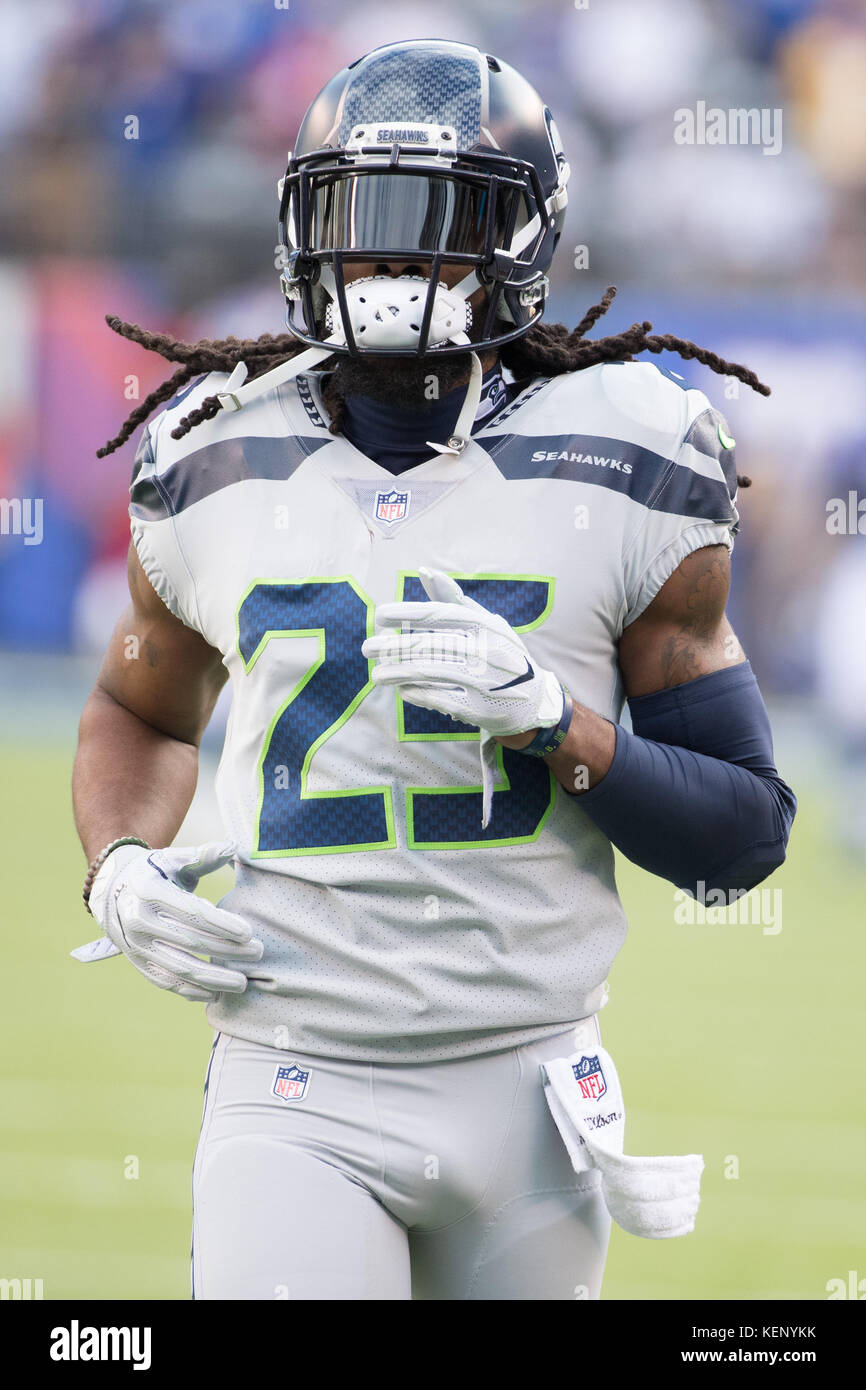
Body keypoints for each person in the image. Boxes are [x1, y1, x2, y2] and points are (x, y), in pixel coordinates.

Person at [72, 38, 796, 1301]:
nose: (385, 258)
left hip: (527, 1095)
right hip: (292, 1073)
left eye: (430, 221)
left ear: (519, 237)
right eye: (356, 216)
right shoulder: (209, 455)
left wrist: (553, 722)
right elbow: (138, 709)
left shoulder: (629, 449)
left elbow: (738, 839)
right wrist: (117, 867)